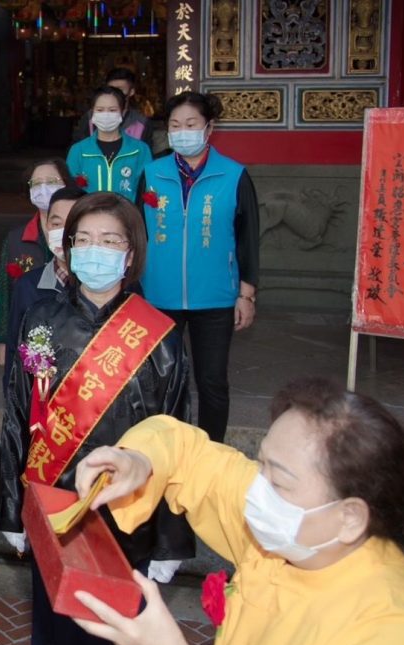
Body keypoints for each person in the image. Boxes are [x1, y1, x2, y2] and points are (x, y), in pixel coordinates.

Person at [71, 378, 404, 645]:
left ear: (350, 518)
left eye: (279, 482)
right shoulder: (300, 536)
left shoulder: (388, 638)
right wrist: (139, 461)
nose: (257, 491)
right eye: (261, 464)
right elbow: (189, 453)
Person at [0, 191, 193, 645]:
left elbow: (181, 442)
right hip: (57, 515)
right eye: (84, 240)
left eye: (111, 241)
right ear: (67, 250)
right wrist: (10, 510)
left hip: (130, 519)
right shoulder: (40, 320)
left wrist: (172, 542)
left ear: (131, 255)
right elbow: (18, 415)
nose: (96, 251)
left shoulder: (160, 334)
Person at [137, 91, 260, 443]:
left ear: (209, 128)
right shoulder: (152, 173)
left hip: (216, 298)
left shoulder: (234, 175)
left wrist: (246, 294)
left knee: (212, 381)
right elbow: (136, 231)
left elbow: (247, 237)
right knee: (163, 377)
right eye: (175, 125)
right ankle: (166, 448)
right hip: (159, 296)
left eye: (191, 124)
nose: (182, 131)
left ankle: (210, 452)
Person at [1, 184, 85, 388]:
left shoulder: (108, 287)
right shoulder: (27, 286)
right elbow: (14, 351)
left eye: (73, 223)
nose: (64, 232)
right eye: (56, 223)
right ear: (46, 227)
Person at [0, 158, 73, 368]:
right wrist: (2, 342)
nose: (43, 188)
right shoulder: (16, 239)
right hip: (31, 336)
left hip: (73, 332)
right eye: (36, 183)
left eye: (51, 181)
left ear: (66, 184)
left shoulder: (82, 235)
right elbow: (5, 293)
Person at [66, 86, 152, 201]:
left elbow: (148, 190)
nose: (106, 115)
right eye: (100, 110)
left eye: (112, 110)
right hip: (88, 217)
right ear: (92, 113)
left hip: (127, 217)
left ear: (122, 112)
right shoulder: (78, 150)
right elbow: (70, 192)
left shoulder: (140, 150)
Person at [72, 67, 154, 149]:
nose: (114, 95)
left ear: (131, 91)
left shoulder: (142, 123)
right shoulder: (90, 118)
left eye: (120, 90)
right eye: (111, 89)